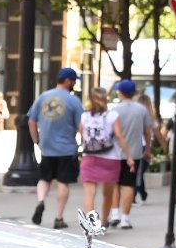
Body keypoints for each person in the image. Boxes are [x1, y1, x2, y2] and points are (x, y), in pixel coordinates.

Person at [26, 67, 83, 229]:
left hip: (47, 148)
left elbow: (31, 120)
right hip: (67, 149)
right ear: (67, 81)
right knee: (64, 182)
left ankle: (41, 201)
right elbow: (81, 125)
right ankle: (58, 217)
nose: (74, 84)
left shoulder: (43, 97)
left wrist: (36, 140)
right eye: (73, 81)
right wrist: (85, 143)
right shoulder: (73, 101)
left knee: (44, 179)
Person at [107, 78, 159, 230]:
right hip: (135, 152)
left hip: (115, 153)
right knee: (129, 184)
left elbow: (109, 133)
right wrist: (147, 150)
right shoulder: (141, 110)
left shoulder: (115, 110)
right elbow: (147, 132)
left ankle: (114, 214)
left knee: (115, 184)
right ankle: (125, 218)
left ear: (121, 92)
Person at [77, 88, 123, 224]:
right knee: (108, 194)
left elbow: (81, 134)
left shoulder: (85, 116)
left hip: (89, 157)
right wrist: (129, 156)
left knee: (89, 193)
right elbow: (119, 136)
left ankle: (91, 224)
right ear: (105, 99)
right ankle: (103, 221)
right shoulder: (112, 115)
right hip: (110, 157)